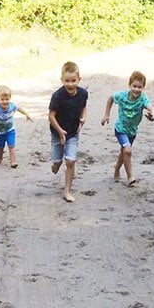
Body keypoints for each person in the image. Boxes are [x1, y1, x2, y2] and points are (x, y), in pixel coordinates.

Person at [100, 71, 154, 186]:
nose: (136, 89)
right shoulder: (122, 96)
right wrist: (106, 114)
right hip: (120, 129)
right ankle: (130, 176)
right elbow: (110, 98)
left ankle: (116, 170)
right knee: (127, 150)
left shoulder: (143, 98)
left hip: (132, 131)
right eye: (134, 86)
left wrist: (152, 115)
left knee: (124, 152)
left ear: (143, 87)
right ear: (130, 85)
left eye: (140, 87)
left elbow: (151, 107)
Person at [48, 61, 88, 203]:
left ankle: (67, 191)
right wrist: (59, 132)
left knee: (70, 161)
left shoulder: (83, 93)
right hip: (57, 132)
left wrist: (83, 117)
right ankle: (56, 164)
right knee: (57, 162)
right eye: (67, 81)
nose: (70, 84)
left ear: (79, 79)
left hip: (72, 133)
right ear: (62, 80)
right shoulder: (57, 96)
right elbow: (51, 116)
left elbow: (83, 107)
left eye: (73, 81)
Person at [0, 85, 32, 168]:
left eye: (7, 99)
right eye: (2, 99)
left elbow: (18, 108)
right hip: (0, 132)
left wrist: (26, 114)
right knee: (0, 147)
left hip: (10, 130)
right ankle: (0, 158)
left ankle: (13, 162)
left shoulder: (11, 106)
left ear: (10, 98)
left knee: (11, 146)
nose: (5, 101)